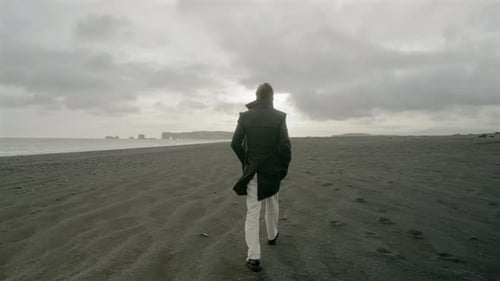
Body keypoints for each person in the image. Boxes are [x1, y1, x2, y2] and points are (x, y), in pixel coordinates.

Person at [231, 82, 292, 272]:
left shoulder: (245, 117)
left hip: (254, 171)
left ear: (257, 96)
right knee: (272, 203)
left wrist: (246, 162)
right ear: (272, 97)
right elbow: (285, 147)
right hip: (273, 171)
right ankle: (272, 235)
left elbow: (235, 143)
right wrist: (283, 169)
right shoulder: (279, 117)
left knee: (253, 212)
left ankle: (254, 257)